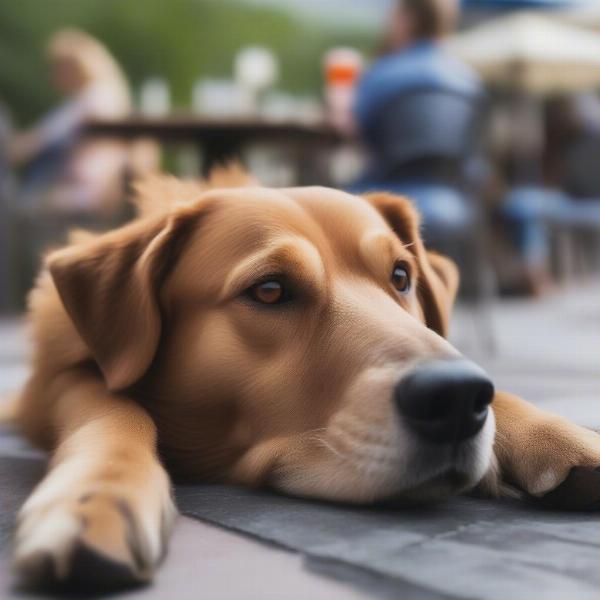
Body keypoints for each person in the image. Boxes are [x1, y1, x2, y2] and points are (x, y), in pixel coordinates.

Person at [351, 0, 484, 244]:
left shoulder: (382, 73)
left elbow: (355, 129)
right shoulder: (470, 81)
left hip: (386, 192)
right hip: (457, 201)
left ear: (406, 20)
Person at [9, 29, 132, 215]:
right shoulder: (109, 95)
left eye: (55, 68)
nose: (52, 77)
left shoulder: (87, 101)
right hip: (98, 190)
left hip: (78, 191)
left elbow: (28, 146)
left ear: (72, 66)